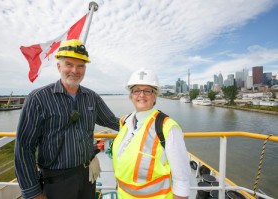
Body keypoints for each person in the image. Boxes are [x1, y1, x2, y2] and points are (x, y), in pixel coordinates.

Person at [14, 39, 119, 199]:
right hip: (56, 181)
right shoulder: (38, 98)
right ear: (59, 67)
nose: (75, 70)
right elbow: (24, 148)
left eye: (81, 66)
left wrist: (145, 123)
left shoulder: (91, 97)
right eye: (69, 64)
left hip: (87, 175)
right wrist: (33, 192)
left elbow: (112, 121)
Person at [112, 68, 191, 199]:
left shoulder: (166, 127)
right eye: (136, 90)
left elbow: (181, 179)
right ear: (131, 95)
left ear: (154, 96)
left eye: (147, 91)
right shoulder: (125, 122)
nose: (141, 95)